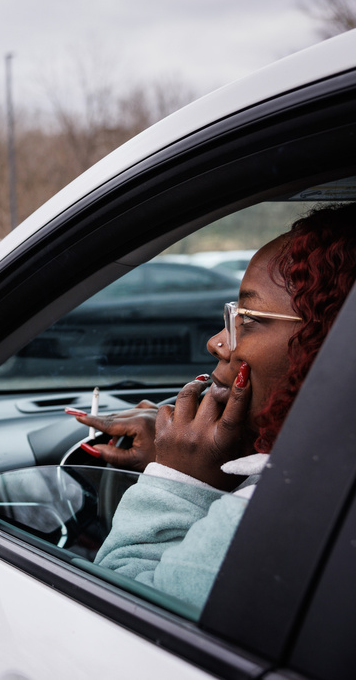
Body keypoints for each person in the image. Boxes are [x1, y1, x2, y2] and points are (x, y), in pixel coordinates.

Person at [65, 202, 356, 608]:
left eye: (248, 320)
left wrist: (175, 482)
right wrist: (211, 461)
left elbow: (124, 604)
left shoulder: (269, 515)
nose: (217, 342)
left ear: (328, 344)